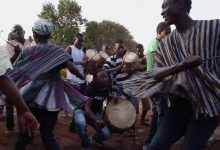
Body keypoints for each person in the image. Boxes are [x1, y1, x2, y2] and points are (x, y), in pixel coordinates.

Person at [144, 0, 220, 149]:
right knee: (155, 147)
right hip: (180, 106)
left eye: (165, 5)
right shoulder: (166, 43)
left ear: (180, 3)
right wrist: (182, 65)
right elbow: (155, 73)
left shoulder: (213, 28)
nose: (162, 11)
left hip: (208, 108)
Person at [7, 19, 89, 150]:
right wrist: (82, 76)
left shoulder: (27, 52)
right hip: (52, 100)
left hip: (30, 98)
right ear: (50, 36)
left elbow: (15, 71)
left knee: (24, 136)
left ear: (34, 34)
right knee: (48, 136)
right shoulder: (57, 51)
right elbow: (72, 67)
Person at [0, 46, 38, 143]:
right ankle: (10, 127)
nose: (18, 34)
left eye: (20, 31)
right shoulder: (10, 45)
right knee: (9, 106)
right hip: (13, 79)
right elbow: (4, 72)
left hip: (19, 82)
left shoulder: (27, 45)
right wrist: (16, 54)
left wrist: (22, 108)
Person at [74, 69, 118, 149]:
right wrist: (97, 120)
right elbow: (87, 107)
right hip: (82, 111)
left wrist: (113, 97)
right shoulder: (91, 88)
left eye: (106, 76)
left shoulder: (107, 87)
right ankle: (85, 146)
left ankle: (94, 139)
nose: (105, 79)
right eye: (101, 77)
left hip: (94, 112)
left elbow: (109, 97)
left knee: (106, 134)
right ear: (95, 79)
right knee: (81, 124)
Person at [143, 22, 171, 146]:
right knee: (162, 114)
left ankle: (150, 143)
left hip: (156, 82)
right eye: (166, 33)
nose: (168, 36)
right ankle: (158, 145)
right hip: (156, 83)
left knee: (157, 114)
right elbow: (157, 63)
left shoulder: (161, 44)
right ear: (159, 32)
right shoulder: (155, 44)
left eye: (169, 34)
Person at [4, 25, 32, 136]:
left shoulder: (29, 43)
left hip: (26, 77)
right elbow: (6, 64)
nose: (17, 32)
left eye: (18, 30)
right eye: (14, 31)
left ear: (24, 31)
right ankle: (9, 127)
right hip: (12, 77)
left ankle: (23, 128)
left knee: (24, 102)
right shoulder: (8, 44)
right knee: (10, 103)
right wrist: (16, 54)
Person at [135, 44, 151, 125]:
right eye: (138, 51)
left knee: (147, 105)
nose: (139, 52)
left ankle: (142, 120)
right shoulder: (133, 59)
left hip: (144, 85)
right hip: (135, 85)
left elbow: (148, 67)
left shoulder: (147, 58)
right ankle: (130, 125)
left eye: (140, 50)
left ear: (143, 50)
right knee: (134, 106)